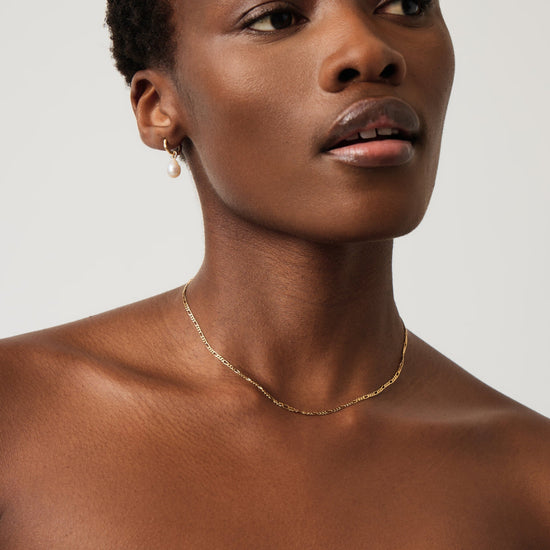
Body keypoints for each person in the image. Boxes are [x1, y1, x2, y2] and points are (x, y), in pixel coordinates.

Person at [0, 0, 549, 547]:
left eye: (404, 4)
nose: (369, 51)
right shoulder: (17, 416)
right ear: (159, 105)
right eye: (276, 18)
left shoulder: (534, 482)